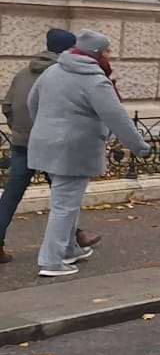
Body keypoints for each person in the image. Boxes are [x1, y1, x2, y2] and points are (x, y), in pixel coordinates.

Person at [27, 29, 150, 278]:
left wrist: (44, 129)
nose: (110, 55)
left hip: (46, 145)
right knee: (64, 205)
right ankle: (51, 261)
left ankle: (70, 248)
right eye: (107, 51)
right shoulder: (95, 80)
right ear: (95, 53)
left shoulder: (52, 71)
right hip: (75, 149)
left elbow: (32, 102)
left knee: (67, 201)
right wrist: (139, 146)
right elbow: (116, 116)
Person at [1, 29, 103, 264]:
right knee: (65, 197)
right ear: (69, 49)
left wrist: (19, 129)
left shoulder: (23, 73)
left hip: (21, 142)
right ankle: (71, 243)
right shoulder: (63, 74)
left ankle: (75, 238)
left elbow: (8, 105)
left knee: (12, 194)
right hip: (53, 144)